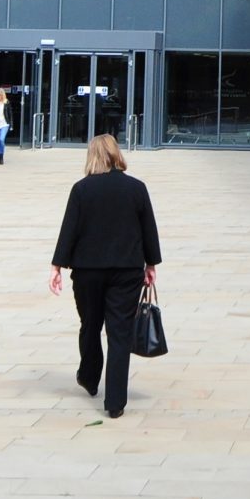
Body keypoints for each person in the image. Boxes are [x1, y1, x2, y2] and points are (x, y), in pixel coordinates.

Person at [49, 134, 161, 419]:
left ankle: (88, 376)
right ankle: (115, 401)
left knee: (90, 324)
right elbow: (149, 228)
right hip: (126, 270)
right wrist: (151, 263)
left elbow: (69, 229)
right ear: (116, 154)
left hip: (87, 271)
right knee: (119, 333)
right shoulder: (136, 188)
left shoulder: (82, 190)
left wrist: (57, 266)